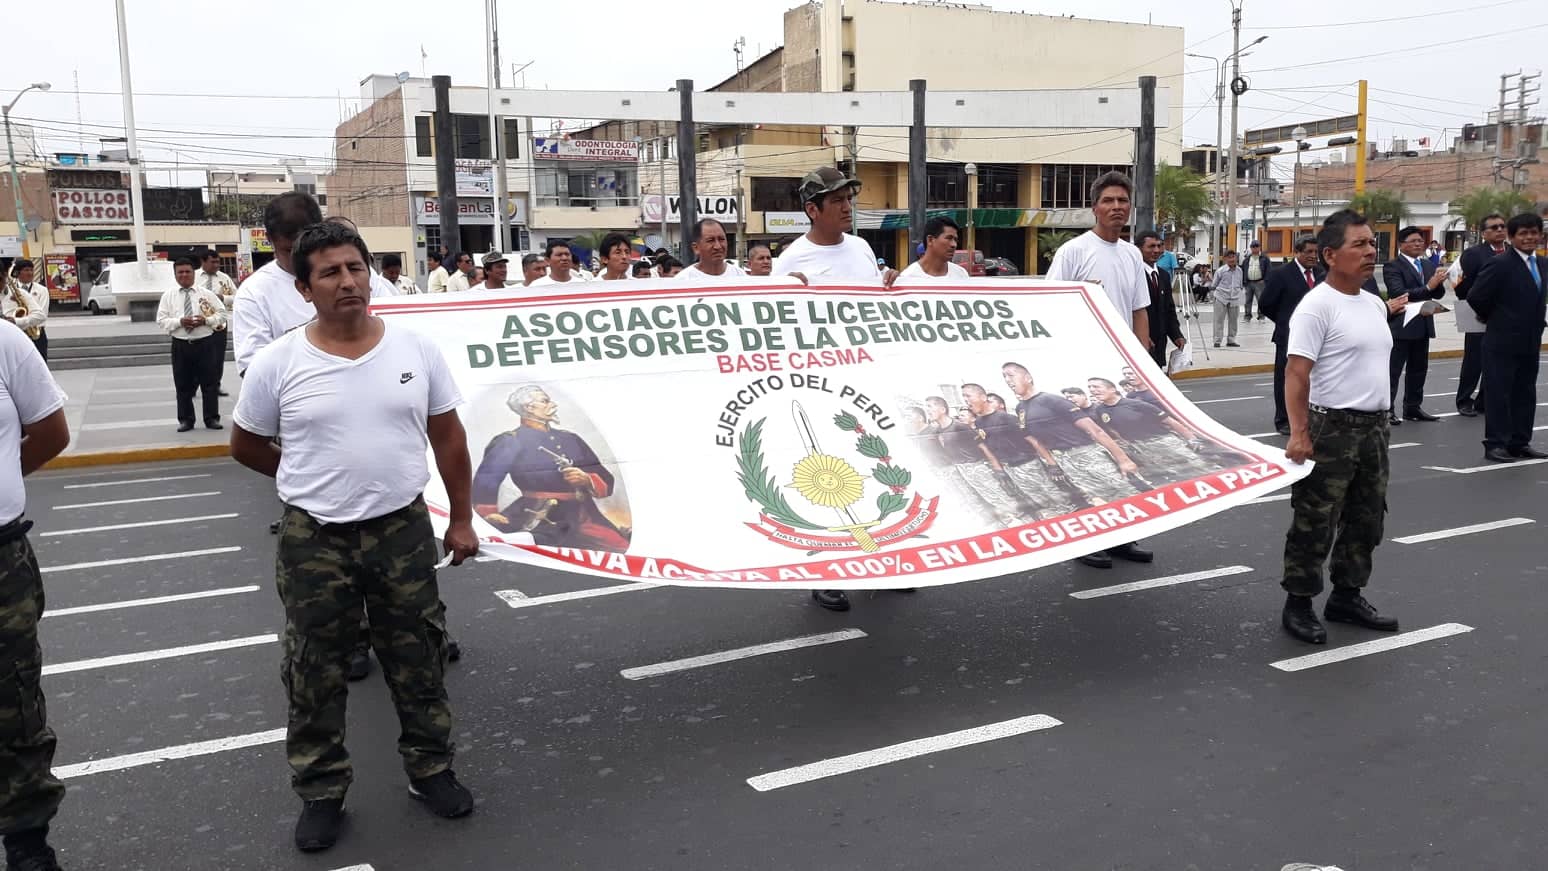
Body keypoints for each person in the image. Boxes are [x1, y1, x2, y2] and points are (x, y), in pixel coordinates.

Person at [230, 221, 478, 852]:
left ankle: (431, 769)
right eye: (331, 273)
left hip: (401, 531)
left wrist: (462, 516)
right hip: (315, 539)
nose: (348, 282)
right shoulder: (279, 361)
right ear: (305, 287)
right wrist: (304, 481)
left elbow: (448, 437)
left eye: (356, 268)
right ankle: (321, 792)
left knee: (416, 656)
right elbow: (247, 444)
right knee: (314, 668)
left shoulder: (414, 350)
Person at [1280, 209, 1403, 645]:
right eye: (1360, 245)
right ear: (1330, 254)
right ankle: (1298, 602)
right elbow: (1296, 374)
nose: (1371, 251)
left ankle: (1347, 595)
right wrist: (1299, 433)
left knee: (1367, 518)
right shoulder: (1316, 307)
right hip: (1331, 427)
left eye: (1372, 244)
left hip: (1375, 429)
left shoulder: (1372, 302)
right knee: (1316, 520)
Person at [0, 322, 70, 871]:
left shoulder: (4, 342)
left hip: (1, 558)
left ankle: (27, 841)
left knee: (15, 705)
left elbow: (50, 430)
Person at [1002, 362, 1144, 569]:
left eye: (1011, 375)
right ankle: (1089, 546)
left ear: (1028, 377)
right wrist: (1052, 465)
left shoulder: (1051, 400)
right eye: (1004, 377)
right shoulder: (1021, 408)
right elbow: (1035, 440)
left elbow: (1094, 430)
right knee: (1084, 503)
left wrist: (1123, 459)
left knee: (1118, 497)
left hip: (1086, 454)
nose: (1008, 380)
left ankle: (1121, 543)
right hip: (1062, 460)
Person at [472, 385, 632, 551]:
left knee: (621, 549)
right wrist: (488, 512)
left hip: (584, 516)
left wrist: (587, 479)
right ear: (529, 408)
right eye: (545, 401)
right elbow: (487, 479)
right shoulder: (510, 440)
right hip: (538, 515)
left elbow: (606, 479)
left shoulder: (571, 438)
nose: (552, 404)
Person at [1467, 212, 1548, 464]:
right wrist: (1498, 318)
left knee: (1525, 392)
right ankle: (1496, 444)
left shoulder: (1543, 264)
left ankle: (1519, 442)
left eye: (1534, 232)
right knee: (1499, 393)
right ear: (1512, 237)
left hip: (1530, 339)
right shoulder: (1500, 263)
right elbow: (1476, 296)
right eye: (1523, 233)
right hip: (1501, 340)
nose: (1529, 237)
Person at [1045, 172, 1150, 350]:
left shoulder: (1133, 254)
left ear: (1130, 207)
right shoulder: (1072, 252)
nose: (1117, 206)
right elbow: (1050, 306)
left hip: (1124, 357)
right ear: (1094, 208)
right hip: (1085, 356)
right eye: (1108, 201)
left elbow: (1139, 310)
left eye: (1122, 200)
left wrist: (1142, 360)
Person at [960, 382, 1074, 523]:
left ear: (983, 397)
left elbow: (1034, 441)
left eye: (968, 396)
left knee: (1054, 493)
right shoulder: (979, 423)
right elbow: (989, 447)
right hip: (1011, 469)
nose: (966, 400)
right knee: (1038, 499)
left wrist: (1051, 464)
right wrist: (999, 470)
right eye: (963, 397)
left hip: (1029, 464)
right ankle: (1056, 519)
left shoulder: (1006, 418)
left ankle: (1071, 516)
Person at [771, 167, 899, 288]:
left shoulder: (861, 246)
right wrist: (787, 288)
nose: (848, 208)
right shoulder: (790, 260)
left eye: (849, 199)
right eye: (837, 200)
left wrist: (892, 282)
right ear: (812, 210)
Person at [1376, 227, 1447, 425]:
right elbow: (1399, 292)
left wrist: (1439, 282)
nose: (1418, 244)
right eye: (1413, 241)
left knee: (1419, 369)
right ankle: (1387, 409)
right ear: (1401, 244)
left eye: (1420, 241)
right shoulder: (1392, 266)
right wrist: (1428, 287)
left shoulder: (1426, 265)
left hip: (1423, 322)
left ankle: (1413, 407)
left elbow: (1437, 294)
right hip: (1402, 325)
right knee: (1393, 370)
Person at [1084, 377, 1213, 485]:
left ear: (1112, 389)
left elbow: (1169, 421)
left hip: (1164, 441)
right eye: (1090, 387)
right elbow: (1113, 429)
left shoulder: (1135, 404)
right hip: (1140, 448)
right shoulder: (1100, 410)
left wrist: (1191, 438)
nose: (1093, 390)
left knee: (1196, 466)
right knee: (1172, 473)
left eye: (1096, 387)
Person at [1260, 236, 1325, 435]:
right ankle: (1283, 419)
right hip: (1288, 336)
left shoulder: (1322, 273)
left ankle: (1309, 417)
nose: (1314, 256)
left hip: (1317, 336)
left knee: (1313, 378)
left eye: (1316, 252)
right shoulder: (1281, 274)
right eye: (1309, 252)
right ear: (1297, 252)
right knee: (1286, 378)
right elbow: (1266, 304)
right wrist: (1284, 321)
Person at [157, 256, 228, 432]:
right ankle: (186, 420)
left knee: (209, 384)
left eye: (187, 271)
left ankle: (211, 418)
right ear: (175, 275)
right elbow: (162, 320)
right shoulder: (168, 296)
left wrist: (206, 320)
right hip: (181, 345)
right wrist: (180, 322)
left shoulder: (206, 294)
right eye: (180, 272)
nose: (184, 275)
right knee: (182, 385)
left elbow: (222, 314)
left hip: (205, 343)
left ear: (193, 273)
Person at [1451, 214, 1509, 417]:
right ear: (1484, 233)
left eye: (1502, 226)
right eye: (1494, 227)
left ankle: (1484, 400)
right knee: (1474, 360)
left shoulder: (1512, 252)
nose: (1500, 230)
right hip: (1476, 312)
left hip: (1504, 315)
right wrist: (1474, 300)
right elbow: (1459, 282)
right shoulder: (1473, 254)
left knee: (1497, 359)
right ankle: (1464, 400)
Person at [1135, 231, 1185, 369]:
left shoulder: (1163, 275)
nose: (1156, 250)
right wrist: (1141, 335)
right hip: (1139, 345)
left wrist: (1176, 335)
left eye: (1159, 246)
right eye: (1151, 246)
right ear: (1139, 249)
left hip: (1159, 346)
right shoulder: (1133, 274)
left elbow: (1169, 310)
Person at [199, 250, 239, 394]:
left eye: (218, 262)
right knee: (198, 356)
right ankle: (195, 384)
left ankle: (215, 385)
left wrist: (223, 298)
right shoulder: (194, 277)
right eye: (213, 262)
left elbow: (237, 297)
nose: (217, 265)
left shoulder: (225, 278)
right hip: (200, 323)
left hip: (219, 322)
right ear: (203, 262)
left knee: (217, 356)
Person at [4, 260, 48, 360]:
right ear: (17, 273)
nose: (30, 273)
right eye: (26, 270)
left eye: (31, 270)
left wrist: (20, 320)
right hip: (18, 333)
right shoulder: (11, 290)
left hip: (36, 333)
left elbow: (42, 313)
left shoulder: (42, 290)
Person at [900, 217, 970, 278]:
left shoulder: (961, 275)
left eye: (955, 240)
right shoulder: (909, 277)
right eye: (949, 238)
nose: (954, 245)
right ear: (930, 240)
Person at [679, 219, 746, 280]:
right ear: (696, 248)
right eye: (710, 240)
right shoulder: (684, 279)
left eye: (721, 239)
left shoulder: (740, 276)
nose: (718, 246)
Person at [1210, 251, 1244, 347]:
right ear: (1225, 259)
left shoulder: (1240, 270)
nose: (1232, 259)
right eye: (1229, 257)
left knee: (1233, 320)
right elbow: (1214, 285)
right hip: (1221, 297)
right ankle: (1217, 340)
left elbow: (1240, 284)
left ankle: (1231, 340)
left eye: (1233, 257)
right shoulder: (1220, 271)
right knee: (1219, 320)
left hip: (1234, 298)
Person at [1242, 240, 1271, 321]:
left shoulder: (1265, 258)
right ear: (1251, 248)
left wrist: (1265, 280)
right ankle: (1247, 316)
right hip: (1249, 282)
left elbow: (1269, 270)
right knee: (1248, 301)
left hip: (1260, 282)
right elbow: (1243, 269)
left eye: (1257, 246)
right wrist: (1244, 282)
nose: (1255, 248)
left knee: (1261, 300)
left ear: (1259, 247)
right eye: (1253, 247)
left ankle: (1261, 316)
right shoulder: (1247, 259)